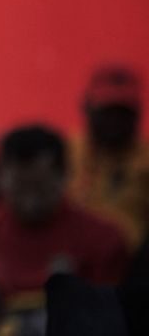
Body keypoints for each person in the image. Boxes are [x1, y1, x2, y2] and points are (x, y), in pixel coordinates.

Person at [0, 125, 130, 326]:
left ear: (65, 177)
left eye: (40, 188)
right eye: (20, 188)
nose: (30, 202)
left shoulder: (103, 240)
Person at [68, 65, 149, 249]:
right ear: (86, 107)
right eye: (107, 111)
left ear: (137, 114)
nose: (115, 120)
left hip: (129, 264)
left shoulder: (145, 161)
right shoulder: (65, 152)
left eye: (123, 112)